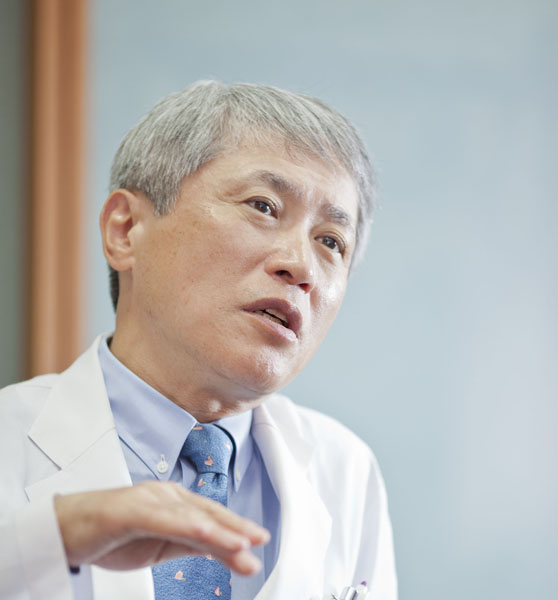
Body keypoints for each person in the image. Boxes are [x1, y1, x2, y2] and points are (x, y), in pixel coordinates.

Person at [0, 81, 397, 600]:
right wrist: (47, 542)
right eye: (263, 206)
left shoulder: (346, 470)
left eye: (330, 241)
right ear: (125, 230)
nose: (301, 267)